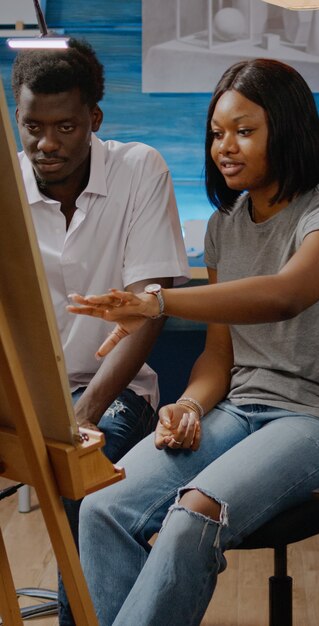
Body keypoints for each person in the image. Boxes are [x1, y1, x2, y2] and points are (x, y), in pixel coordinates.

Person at [69, 58, 319, 626]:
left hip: (316, 420)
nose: (226, 146)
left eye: (245, 131)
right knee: (102, 508)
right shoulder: (225, 226)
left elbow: (283, 295)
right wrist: (189, 405)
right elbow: (220, 356)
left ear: (288, 129)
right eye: (218, 133)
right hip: (237, 409)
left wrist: (158, 301)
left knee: (195, 516)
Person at [11, 37, 189, 626]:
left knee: (79, 485)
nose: (45, 144)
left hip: (116, 393)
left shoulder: (139, 168)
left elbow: (146, 312)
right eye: (31, 126)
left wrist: (83, 416)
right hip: (25, 395)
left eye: (64, 127)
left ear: (94, 120)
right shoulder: (8, 182)